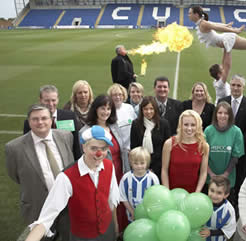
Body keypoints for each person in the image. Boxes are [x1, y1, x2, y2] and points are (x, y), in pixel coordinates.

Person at [24, 125, 120, 241]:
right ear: (84, 147)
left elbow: (112, 200)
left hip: (107, 232)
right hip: (81, 237)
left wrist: (115, 226)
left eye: (104, 149)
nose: (99, 154)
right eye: (94, 148)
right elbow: (46, 217)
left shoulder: (109, 166)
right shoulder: (66, 177)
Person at [6, 104, 74, 241]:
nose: (40, 122)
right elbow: (15, 175)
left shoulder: (66, 136)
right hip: (38, 207)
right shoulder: (14, 148)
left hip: (68, 206)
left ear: (51, 120)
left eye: (44, 118)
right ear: (29, 121)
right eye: (35, 119)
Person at [80, 94, 129, 234]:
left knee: (120, 205)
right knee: (106, 207)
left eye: (109, 108)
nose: (106, 112)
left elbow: (122, 150)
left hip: (118, 172)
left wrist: (126, 172)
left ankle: (120, 233)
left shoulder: (114, 126)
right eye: (102, 108)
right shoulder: (85, 132)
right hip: (100, 176)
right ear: (95, 109)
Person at [218, 74, 246, 205]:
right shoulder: (222, 101)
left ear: (243, 87)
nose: (235, 88)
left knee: (239, 180)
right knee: (223, 178)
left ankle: (237, 206)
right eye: (233, 85)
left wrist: (236, 145)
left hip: (241, 153)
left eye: (238, 85)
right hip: (223, 151)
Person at [23, 85, 82, 160]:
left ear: (58, 99)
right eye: (47, 101)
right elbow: (28, 148)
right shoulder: (30, 123)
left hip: (67, 162)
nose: (50, 104)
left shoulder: (69, 116)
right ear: (40, 100)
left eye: (53, 100)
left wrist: (77, 163)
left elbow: (76, 144)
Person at [204, 101, 244, 201]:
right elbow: (203, 155)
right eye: (220, 113)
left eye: (226, 113)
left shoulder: (236, 131)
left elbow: (235, 157)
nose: (223, 116)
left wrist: (225, 175)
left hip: (227, 179)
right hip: (210, 178)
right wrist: (211, 174)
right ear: (215, 114)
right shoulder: (208, 131)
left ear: (230, 115)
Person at [161, 110, 209, 193]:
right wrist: (167, 192)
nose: (189, 128)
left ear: (198, 126)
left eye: (193, 125)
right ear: (180, 125)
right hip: (172, 193)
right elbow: (164, 170)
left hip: (192, 194)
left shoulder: (204, 146)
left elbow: (203, 173)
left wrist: (196, 193)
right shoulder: (169, 144)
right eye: (186, 125)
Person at [130, 96, 171, 179]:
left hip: (159, 167)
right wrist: (144, 167)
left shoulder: (163, 124)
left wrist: (154, 168)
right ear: (141, 110)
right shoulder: (136, 124)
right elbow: (134, 147)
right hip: (140, 167)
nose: (148, 112)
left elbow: (166, 148)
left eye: (151, 109)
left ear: (155, 109)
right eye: (145, 109)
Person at [119, 147, 160, 222]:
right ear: (131, 163)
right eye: (135, 163)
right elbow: (123, 197)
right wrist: (132, 212)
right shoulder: (126, 179)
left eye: (142, 163)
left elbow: (156, 197)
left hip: (149, 216)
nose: (139, 166)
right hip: (132, 216)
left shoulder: (153, 178)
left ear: (147, 162)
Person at [199, 176, 236, 241]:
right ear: (208, 189)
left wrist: (211, 232)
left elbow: (229, 229)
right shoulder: (201, 203)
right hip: (200, 238)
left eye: (219, 193)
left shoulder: (229, 210)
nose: (214, 195)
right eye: (212, 190)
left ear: (226, 195)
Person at [108, 83, 136, 160]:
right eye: (115, 95)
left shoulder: (129, 108)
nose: (118, 97)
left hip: (130, 149)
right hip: (116, 151)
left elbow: (135, 126)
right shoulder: (108, 111)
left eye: (120, 94)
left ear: (124, 95)